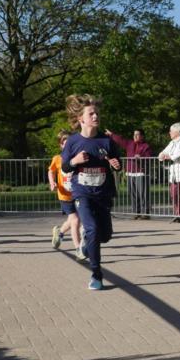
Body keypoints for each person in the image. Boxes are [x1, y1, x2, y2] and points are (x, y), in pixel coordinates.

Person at [60, 95, 123, 290]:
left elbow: (117, 163)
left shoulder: (107, 141)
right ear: (81, 119)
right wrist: (74, 161)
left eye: (97, 113)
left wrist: (116, 165)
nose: (96, 116)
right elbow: (64, 166)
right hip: (82, 193)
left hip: (103, 193)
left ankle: (87, 245)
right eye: (91, 113)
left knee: (104, 236)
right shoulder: (73, 142)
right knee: (92, 230)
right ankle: (96, 274)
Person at [48, 130, 85, 261]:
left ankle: (60, 232)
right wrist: (52, 182)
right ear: (61, 145)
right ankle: (78, 249)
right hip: (64, 196)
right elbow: (51, 171)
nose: (67, 145)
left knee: (72, 220)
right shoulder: (57, 159)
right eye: (64, 143)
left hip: (78, 194)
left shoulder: (78, 158)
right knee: (75, 221)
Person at [105, 127, 153, 219]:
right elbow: (120, 140)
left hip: (141, 173)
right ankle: (136, 213)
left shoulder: (146, 146)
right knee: (133, 194)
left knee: (143, 194)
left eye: (137, 134)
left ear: (142, 136)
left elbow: (149, 157)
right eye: (134, 134)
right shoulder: (130, 144)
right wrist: (111, 134)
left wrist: (141, 156)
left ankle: (146, 213)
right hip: (130, 173)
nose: (135, 136)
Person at [158, 123, 180, 223]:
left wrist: (170, 156)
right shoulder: (172, 142)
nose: (169, 133)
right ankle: (176, 214)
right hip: (173, 173)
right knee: (174, 194)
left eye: (171, 131)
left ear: (177, 132)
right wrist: (162, 155)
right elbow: (164, 152)